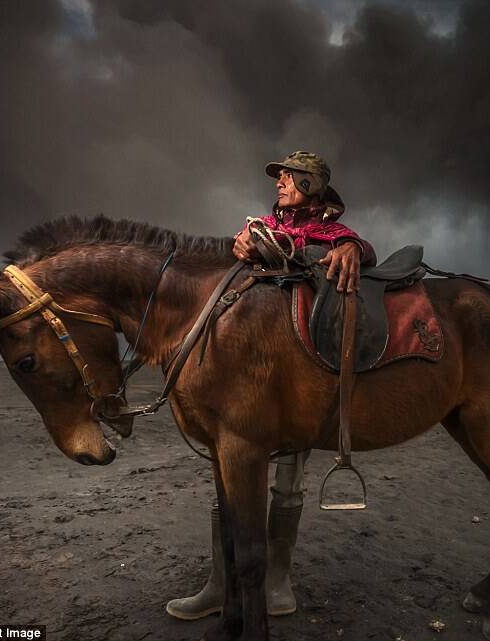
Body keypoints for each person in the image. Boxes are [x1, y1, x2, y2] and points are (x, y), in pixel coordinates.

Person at [165, 151, 376, 620]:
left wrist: (350, 251)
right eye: (279, 176)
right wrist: (242, 246)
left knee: (286, 484)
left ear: (309, 183)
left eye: (288, 176)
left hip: (293, 370)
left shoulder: (331, 232)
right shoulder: (262, 224)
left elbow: (361, 248)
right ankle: (220, 584)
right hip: (247, 367)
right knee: (231, 479)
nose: (279, 182)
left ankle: (277, 581)